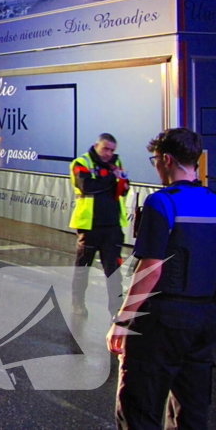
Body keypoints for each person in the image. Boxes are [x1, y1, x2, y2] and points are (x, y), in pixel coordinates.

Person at [108, 127, 216, 430]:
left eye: (155, 159)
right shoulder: (213, 200)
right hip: (205, 318)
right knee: (192, 408)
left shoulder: (162, 202)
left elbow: (151, 268)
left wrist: (123, 320)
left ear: (167, 159)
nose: (155, 164)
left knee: (140, 406)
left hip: (162, 319)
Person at [69, 132, 130, 316]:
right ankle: (77, 302)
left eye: (112, 150)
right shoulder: (81, 163)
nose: (108, 153)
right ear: (96, 145)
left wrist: (123, 184)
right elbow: (87, 186)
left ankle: (116, 311)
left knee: (114, 272)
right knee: (83, 268)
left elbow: (122, 189)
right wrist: (112, 178)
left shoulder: (115, 164)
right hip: (90, 226)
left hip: (112, 226)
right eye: (105, 148)